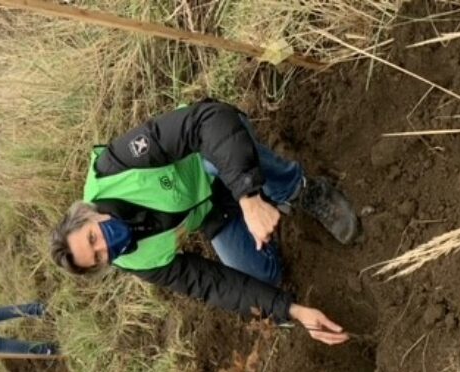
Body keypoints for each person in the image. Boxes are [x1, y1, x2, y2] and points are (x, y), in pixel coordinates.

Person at [49, 99, 357, 346]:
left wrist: (248, 197)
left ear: (89, 215)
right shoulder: (134, 260)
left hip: (213, 155)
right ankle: (259, 206)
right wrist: (292, 311)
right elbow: (209, 284)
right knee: (263, 276)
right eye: (100, 256)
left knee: (223, 158)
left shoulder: (116, 168)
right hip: (213, 210)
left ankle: (302, 191)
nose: (105, 243)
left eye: (92, 237)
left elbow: (209, 119)